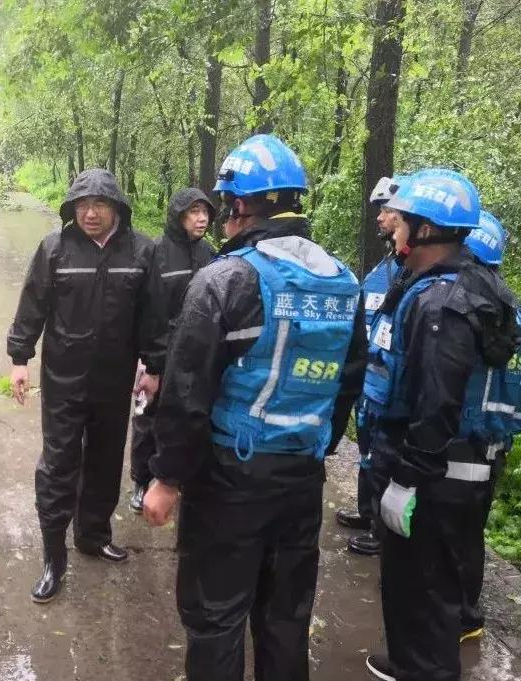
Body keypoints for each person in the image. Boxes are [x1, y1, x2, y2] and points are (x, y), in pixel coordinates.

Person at [142, 134, 367, 681]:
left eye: (225, 207)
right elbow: (348, 381)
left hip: (230, 479)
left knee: (216, 616)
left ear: (242, 206)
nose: (221, 220)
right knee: (285, 617)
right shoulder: (343, 282)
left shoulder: (226, 278)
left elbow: (187, 392)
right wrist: (316, 444)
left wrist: (167, 478)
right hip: (301, 475)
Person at [359, 169, 521, 681]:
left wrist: (407, 479)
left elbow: (436, 401)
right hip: (442, 471)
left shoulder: (441, 303)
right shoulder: (443, 286)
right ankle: (411, 662)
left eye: (404, 220)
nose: (394, 228)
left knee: (425, 587)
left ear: (427, 229)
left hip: (433, 475)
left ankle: (424, 669)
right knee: (415, 586)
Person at [7, 168, 164, 603]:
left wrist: (154, 366)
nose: (90, 214)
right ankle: (53, 557)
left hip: (114, 380)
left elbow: (152, 315)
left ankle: (93, 535)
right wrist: (19, 359)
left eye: (99, 205)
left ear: (117, 208)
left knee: (104, 459)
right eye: (82, 206)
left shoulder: (141, 251)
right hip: (63, 380)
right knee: (58, 465)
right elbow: (32, 304)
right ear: (72, 208)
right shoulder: (54, 249)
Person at [454, 210, 521, 643]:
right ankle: (468, 613)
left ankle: (456, 618)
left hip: (466, 437)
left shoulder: (474, 308)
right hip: (495, 441)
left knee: (450, 532)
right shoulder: (513, 310)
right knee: (471, 530)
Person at [128, 188, 216, 513]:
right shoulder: (156, 253)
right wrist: (149, 362)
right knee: (146, 419)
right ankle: (141, 480)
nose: (202, 218)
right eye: (194, 211)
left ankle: (179, 479)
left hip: (196, 358)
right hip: (158, 355)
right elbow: (147, 310)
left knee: (187, 418)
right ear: (179, 216)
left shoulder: (211, 255)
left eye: (205, 212)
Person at [335, 176, 405, 557]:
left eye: (387, 210)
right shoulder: (383, 269)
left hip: (391, 387)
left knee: (385, 456)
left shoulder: (411, 274)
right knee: (367, 451)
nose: (380, 217)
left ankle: (382, 528)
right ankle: (367, 512)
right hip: (370, 382)